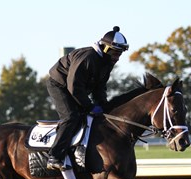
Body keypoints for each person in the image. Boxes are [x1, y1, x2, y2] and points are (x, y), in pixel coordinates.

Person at [46, 26, 129, 170]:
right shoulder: (88, 57)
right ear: (105, 48)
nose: (117, 57)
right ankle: (54, 156)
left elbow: (100, 87)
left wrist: (103, 105)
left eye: (120, 53)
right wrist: (89, 106)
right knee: (71, 116)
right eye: (114, 52)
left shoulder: (107, 62)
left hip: (76, 88)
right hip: (60, 85)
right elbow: (74, 87)